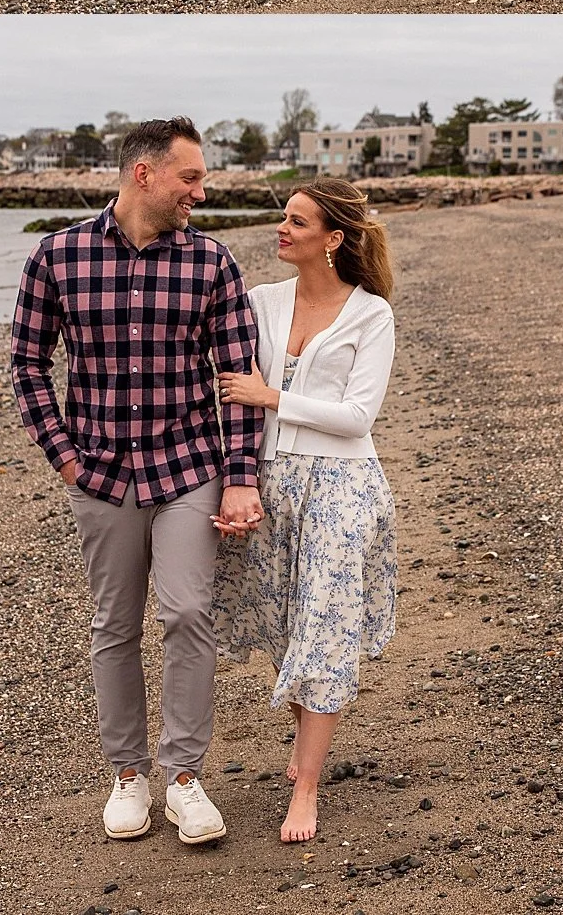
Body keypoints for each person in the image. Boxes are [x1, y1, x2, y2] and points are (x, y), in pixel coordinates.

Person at [9, 118, 265, 848]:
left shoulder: (211, 263)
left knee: (188, 614)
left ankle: (183, 777)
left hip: (188, 470)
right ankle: (128, 775)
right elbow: (28, 365)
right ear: (143, 174)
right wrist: (65, 458)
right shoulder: (57, 256)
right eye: (191, 178)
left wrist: (240, 479)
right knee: (113, 627)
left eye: (203, 179)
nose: (202, 191)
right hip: (100, 475)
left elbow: (240, 383)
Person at [213, 180, 397, 844]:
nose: (281, 230)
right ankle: (304, 739)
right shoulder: (259, 303)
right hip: (269, 481)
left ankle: (309, 787)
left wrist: (271, 398)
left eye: (297, 221)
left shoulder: (370, 314)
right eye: (283, 218)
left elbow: (357, 418)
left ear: (334, 238)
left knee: (323, 628)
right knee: (286, 626)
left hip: (343, 486)